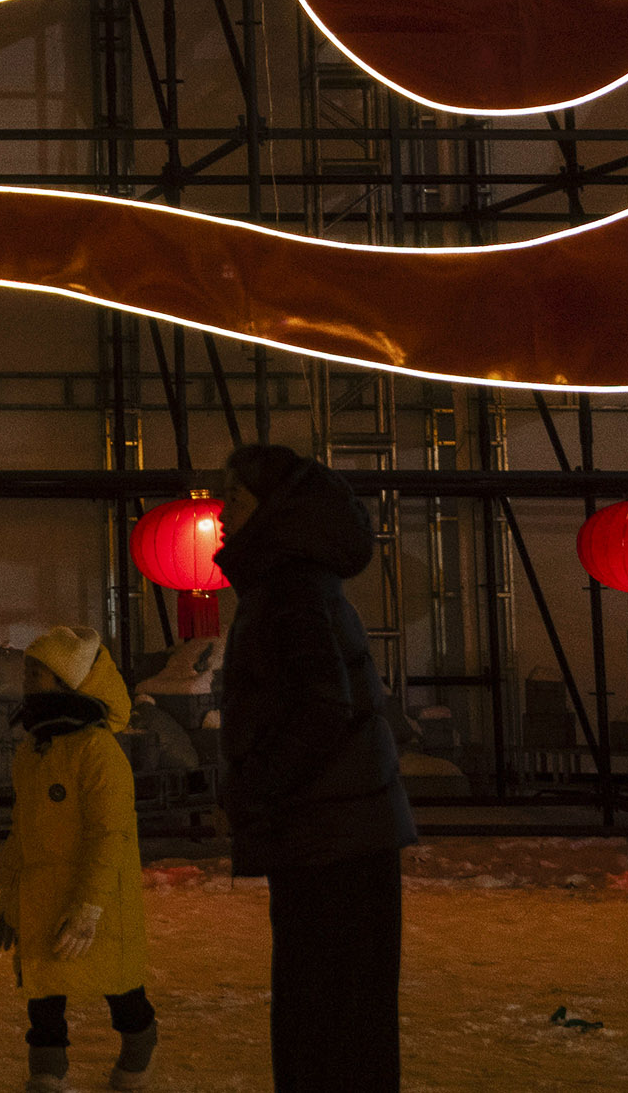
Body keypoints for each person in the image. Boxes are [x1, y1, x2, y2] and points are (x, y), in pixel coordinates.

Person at [215, 442, 417, 1093]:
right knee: (341, 1017)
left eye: (234, 498)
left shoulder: (290, 592)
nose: (220, 513)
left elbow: (321, 706)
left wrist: (255, 786)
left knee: (325, 1019)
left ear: (276, 511)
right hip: (339, 833)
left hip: (331, 839)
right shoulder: (295, 587)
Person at [0, 624, 156, 1089]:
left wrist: (90, 904)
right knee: (43, 990)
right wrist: (9, 898)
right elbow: (22, 831)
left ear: (66, 681)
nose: (27, 678)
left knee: (117, 983)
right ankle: (48, 1069)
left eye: (37, 670)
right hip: (41, 893)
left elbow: (110, 835)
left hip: (96, 895)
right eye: (28, 668)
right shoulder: (34, 750)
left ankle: (140, 1042)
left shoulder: (98, 751)